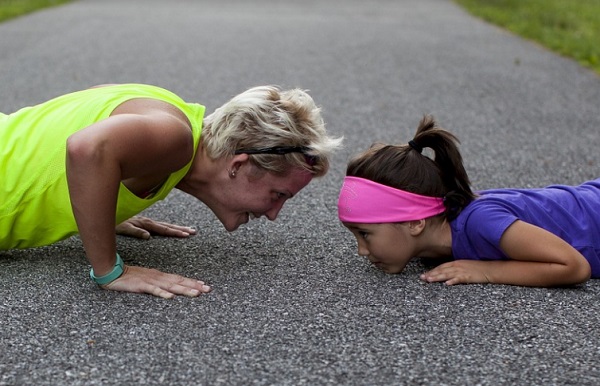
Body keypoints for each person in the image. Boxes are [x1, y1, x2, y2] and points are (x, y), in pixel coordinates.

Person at [1, 83, 342, 298]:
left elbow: (70, 146)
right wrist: (110, 269)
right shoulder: (175, 137)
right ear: (239, 164)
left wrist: (98, 211)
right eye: (278, 195)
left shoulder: (174, 125)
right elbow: (87, 149)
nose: (273, 214)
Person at [337, 115, 598, 287]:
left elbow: (573, 266)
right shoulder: (433, 239)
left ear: (416, 222)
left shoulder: (481, 222)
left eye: (365, 234)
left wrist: (486, 272)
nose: (361, 250)